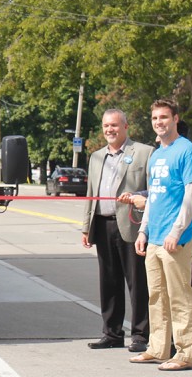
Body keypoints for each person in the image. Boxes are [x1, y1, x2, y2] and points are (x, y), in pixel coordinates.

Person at [119, 121, 192, 358]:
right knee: (157, 296)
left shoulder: (187, 151)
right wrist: (143, 231)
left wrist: (176, 231)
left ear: (175, 119)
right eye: (155, 117)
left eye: (164, 117)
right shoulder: (157, 155)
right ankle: (158, 349)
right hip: (155, 238)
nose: (158, 122)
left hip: (175, 237)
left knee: (180, 296)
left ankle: (185, 354)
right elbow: (154, 197)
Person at [82, 109, 154, 353]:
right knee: (109, 283)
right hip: (103, 224)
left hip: (133, 226)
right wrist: (86, 227)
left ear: (126, 126)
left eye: (114, 125)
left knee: (138, 283)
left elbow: (154, 190)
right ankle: (111, 333)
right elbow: (91, 194)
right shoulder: (96, 157)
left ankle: (141, 335)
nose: (109, 130)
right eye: (106, 126)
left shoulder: (144, 153)